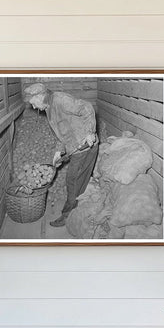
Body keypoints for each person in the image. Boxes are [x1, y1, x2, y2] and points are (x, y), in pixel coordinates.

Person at [24, 83, 99, 227]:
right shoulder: (48, 108)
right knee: (75, 181)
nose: (33, 108)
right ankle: (76, 209)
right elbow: (61, 133)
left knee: (73, 180)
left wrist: (90, 132)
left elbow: (86, 107)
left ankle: (67, 215)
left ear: (40, 96)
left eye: (33, 103)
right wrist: (58, 152)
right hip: (75, 148)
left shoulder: (60, 100)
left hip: (85, 147)